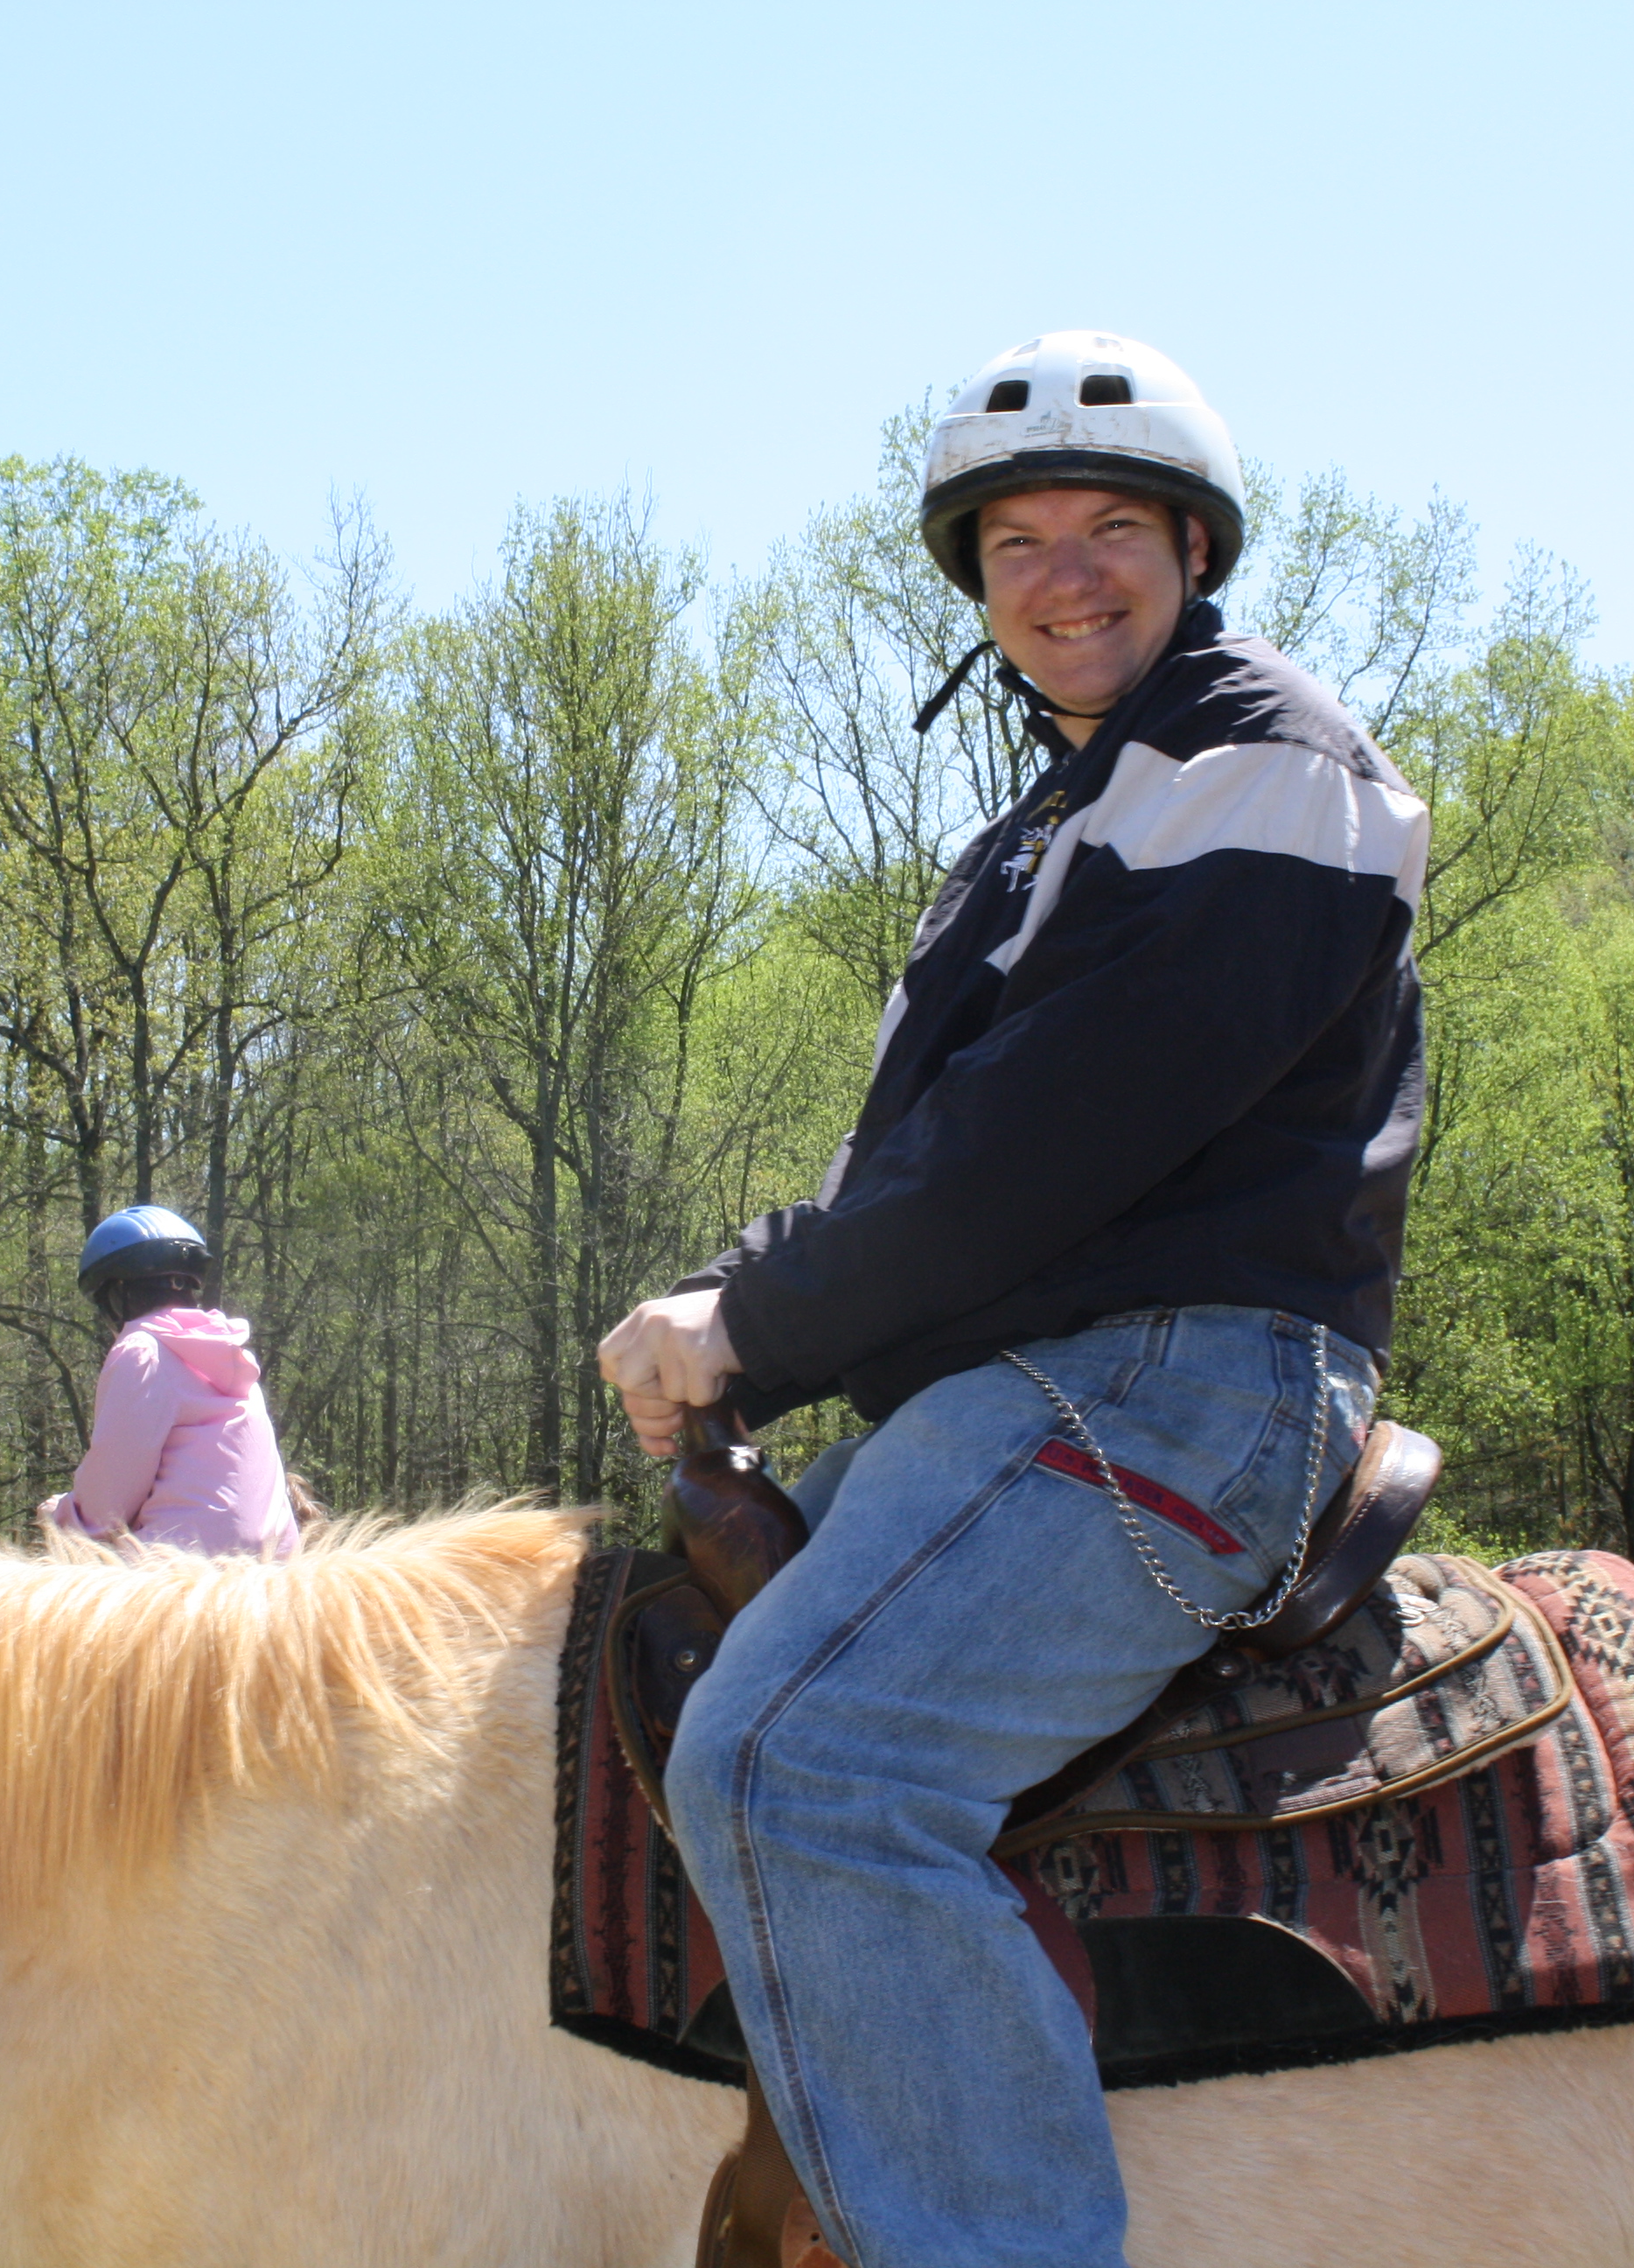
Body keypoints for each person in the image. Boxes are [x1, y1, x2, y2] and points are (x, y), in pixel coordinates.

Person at [596, 331, 1428, 2268]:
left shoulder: (1264, 766)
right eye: (1020, 542)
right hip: (1033, 1390)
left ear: (1197, 550)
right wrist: (740, 1286)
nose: (1067, 576)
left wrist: (757, 1333)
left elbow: (1062, 1140)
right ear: (977, 587)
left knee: (802, 1761)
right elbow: (936, 1163)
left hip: (1169, 1388)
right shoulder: (1044, 834)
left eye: (1115, 528)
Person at [45, 1204, 300, 1558]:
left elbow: (106, 1508)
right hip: (277, 1568)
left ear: (117, 1294)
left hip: (181, 1571)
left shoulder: (142, 1351)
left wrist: (60, 1515)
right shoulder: (230, 1354)